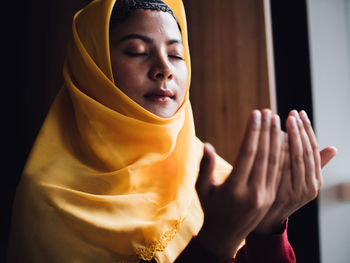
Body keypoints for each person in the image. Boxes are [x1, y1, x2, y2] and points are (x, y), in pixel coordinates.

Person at [7, 0, 337, 262]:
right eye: (136, 51)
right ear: (94, 70)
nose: (165, 69)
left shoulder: (219, 180)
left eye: (177, 54)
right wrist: (214, 243)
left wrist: (268, 232)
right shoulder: (50, 201)